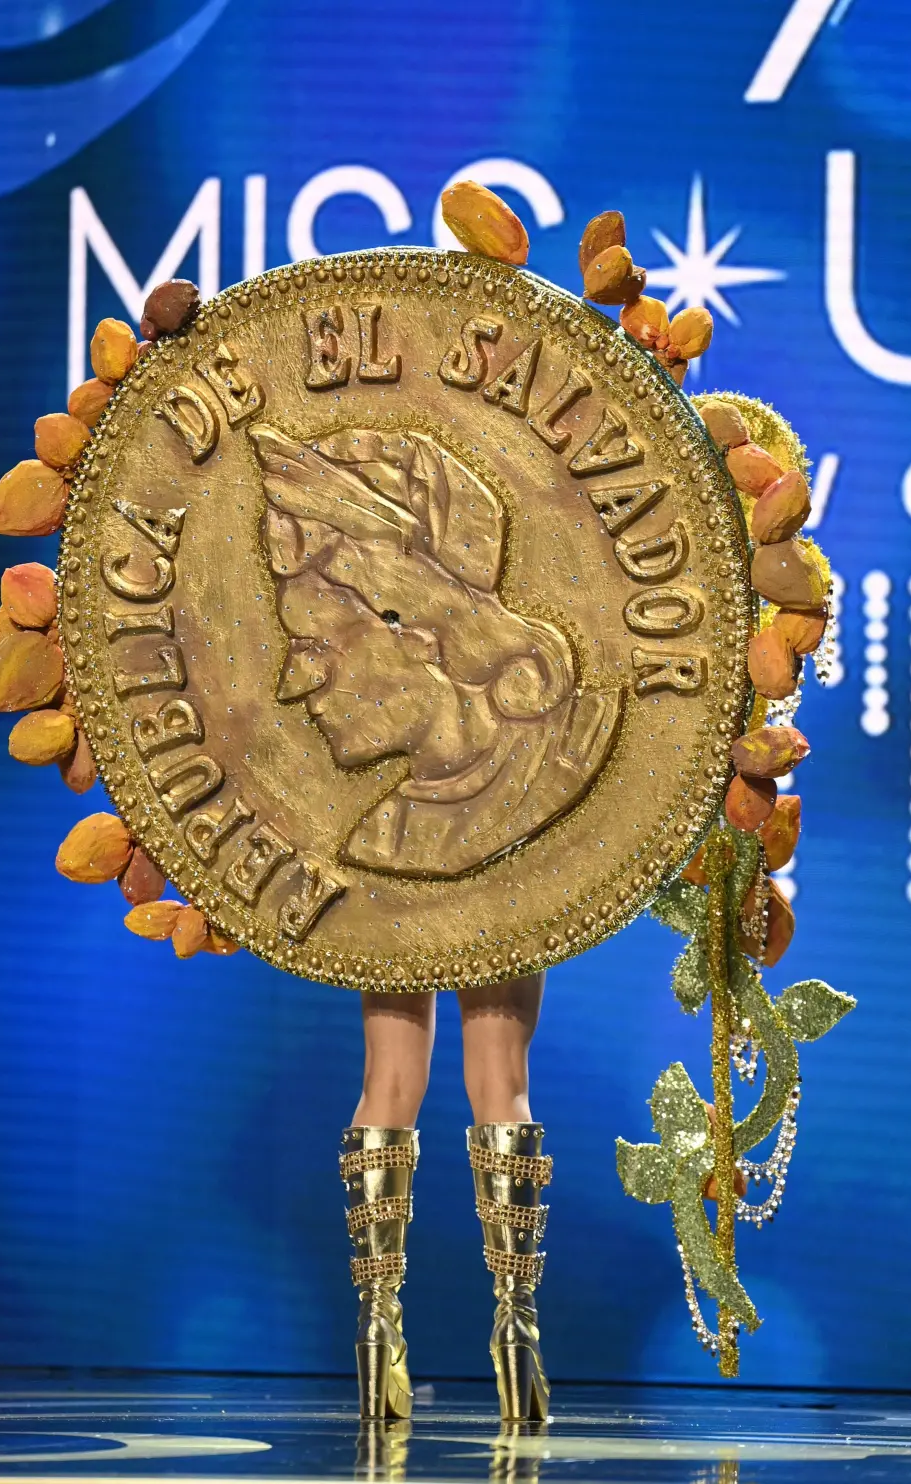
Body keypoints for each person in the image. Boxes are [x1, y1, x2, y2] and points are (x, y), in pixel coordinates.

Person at [252, 424, 623, 1421]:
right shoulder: (523, 793)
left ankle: (385, 1334)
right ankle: (514, 1332)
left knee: (395, 1081)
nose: (294, 679)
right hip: (475, 853)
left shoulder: (422, 829)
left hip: (454, 854)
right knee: (495, 1077)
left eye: (318, 643)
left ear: (414, 622)